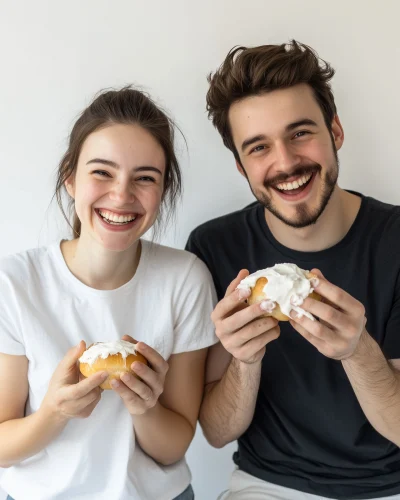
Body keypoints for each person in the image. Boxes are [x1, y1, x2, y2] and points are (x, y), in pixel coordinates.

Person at [186, 41, 400, 499]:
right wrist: (245, 361)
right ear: (241, 166)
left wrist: (358, 351)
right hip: (266, 485)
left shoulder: (396, 241)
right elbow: (218, 432)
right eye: (258, 147)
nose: (285, 163)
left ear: (335, 131)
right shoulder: (215, 247)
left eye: (300, 133)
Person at [0, 86, 217, 500]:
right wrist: (53, 412)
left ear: (163, 189)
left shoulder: (185, 278)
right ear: (71, 177)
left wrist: (146, 405)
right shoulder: (14, 282)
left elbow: (174, 447)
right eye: (102, 172)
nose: (121, 195)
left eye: (145, 178)